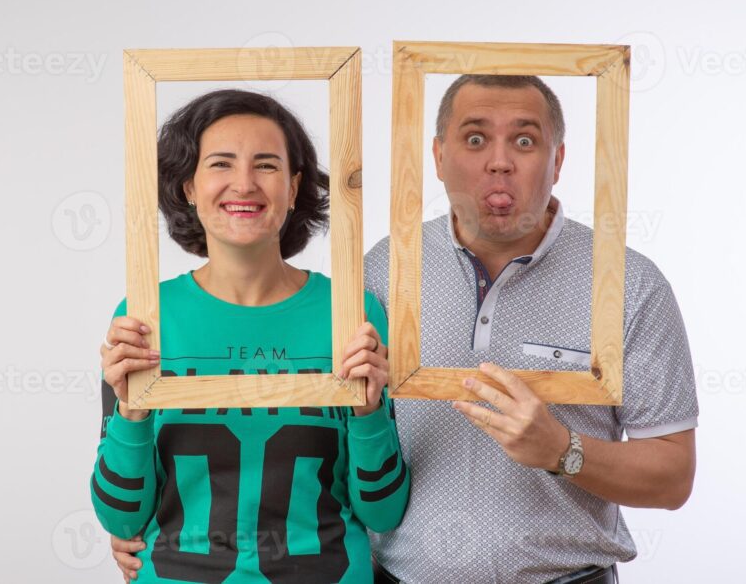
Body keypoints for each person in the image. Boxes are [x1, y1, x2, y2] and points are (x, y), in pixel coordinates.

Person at [110, 75, 698, 584]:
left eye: (525, 139)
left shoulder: (628, 284)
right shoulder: (378, 277)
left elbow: (673, 476)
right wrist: (158, 522)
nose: (499, 159)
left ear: (559, 158)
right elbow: (334, 464)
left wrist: (562, 451)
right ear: (438, 156)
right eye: (474, 138)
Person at [91, 89, 409, 584]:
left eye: (266, 165)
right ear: (188, 187)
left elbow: (383, 513)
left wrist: (369, 416)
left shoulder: (352, 312)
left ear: (293, 184)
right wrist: (129, 415)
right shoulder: (145, 316)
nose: (244, 184)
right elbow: (122, 519)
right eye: (220, 163)